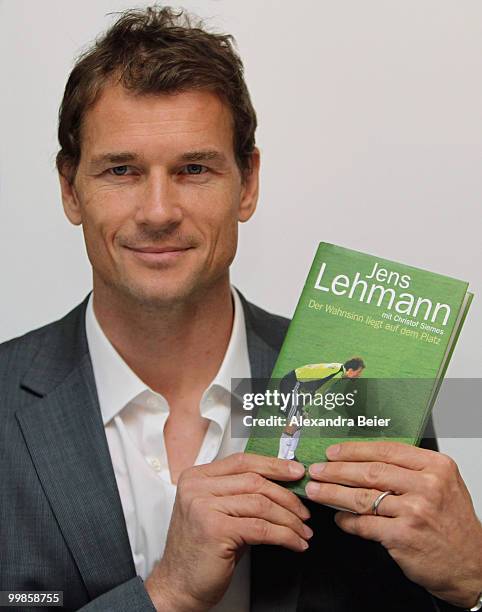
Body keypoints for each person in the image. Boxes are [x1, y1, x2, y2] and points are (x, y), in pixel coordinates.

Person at [0, 6, 481, 612]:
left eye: (193, 169)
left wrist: (472, 582)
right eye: (121, 170)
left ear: (248, 183)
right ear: (70, 189)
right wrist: (167, 592)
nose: (157, 211)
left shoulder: (372, 395)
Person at [277, 358, 365, 460]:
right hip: (292, 384)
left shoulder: (339, 368)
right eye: (358, 372)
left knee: (299, 420)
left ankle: (289, 455)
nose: (359, 375)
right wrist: (306, 408)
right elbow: (319, 392)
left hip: (299, 385)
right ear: (350, 371)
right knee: (293, 422)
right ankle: (281, 459)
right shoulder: (336, 374)